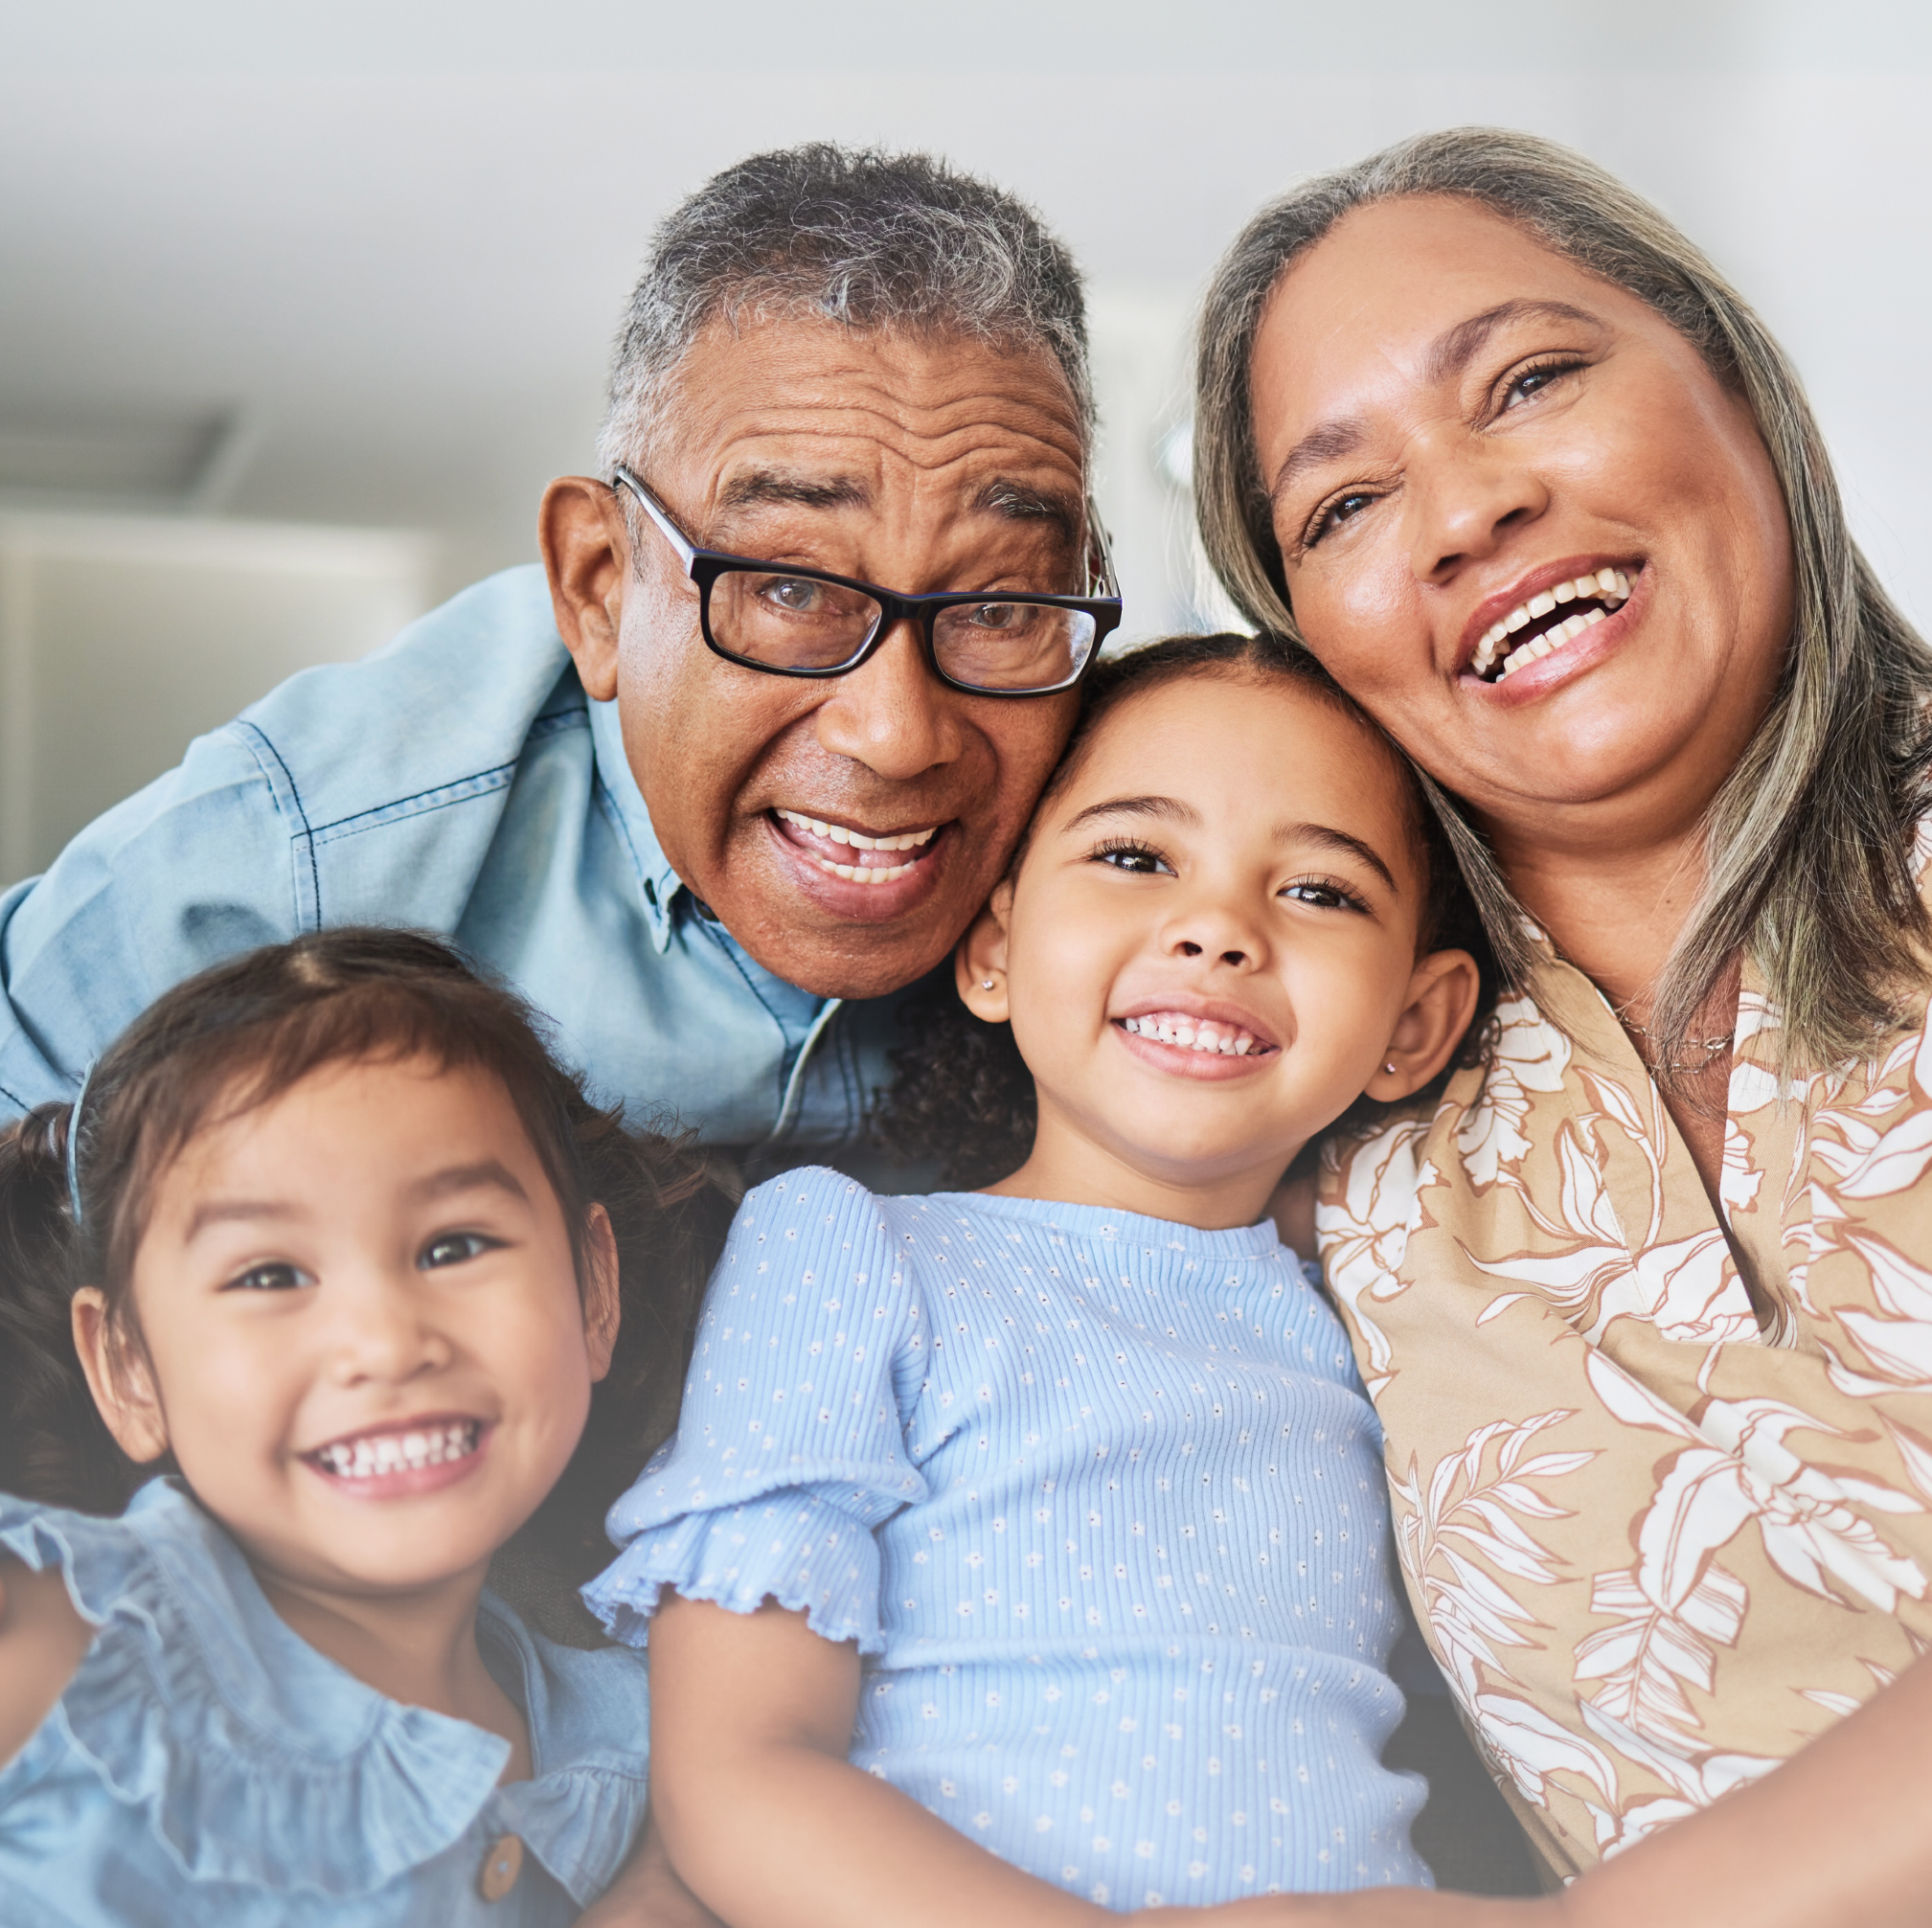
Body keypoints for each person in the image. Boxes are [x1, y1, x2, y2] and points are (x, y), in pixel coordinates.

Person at [1050, 129, 1932, 1928]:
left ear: (1738, 387)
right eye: (1343, 507)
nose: (1461, 516)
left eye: (1528, 381)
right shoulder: (1333, 1138)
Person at [579, 634, 1491, 1928]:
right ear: (995, 946)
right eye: (1134, 858)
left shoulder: (1386, 1319)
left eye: (1319, 891)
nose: (1220, 929)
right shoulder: (850, 1256)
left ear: (1415, 1023)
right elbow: (739, 1778)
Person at [0, 145, 1116, 1188]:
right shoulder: (308, 853)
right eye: (788, 588)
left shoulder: (1132, 808)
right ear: (597, 585)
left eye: (1001, 604)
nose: (898, 734)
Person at [0, 929, 726, 1928]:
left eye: (455, 1246)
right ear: (128, 1368)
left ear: (592, 1290)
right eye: (267, 1276)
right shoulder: (62, 1624)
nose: (385, 1344)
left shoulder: (640, 1727)